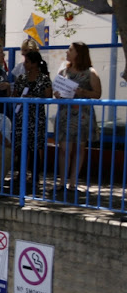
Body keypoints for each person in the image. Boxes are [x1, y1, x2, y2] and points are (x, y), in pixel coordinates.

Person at [53, 42, 102, 193]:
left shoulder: (90, 72)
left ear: (79, 53)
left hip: (82, 116)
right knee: (63, 148)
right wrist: (57, 94)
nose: (67, 52)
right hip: (65, 114)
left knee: (79, 147)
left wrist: (82, 92)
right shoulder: (64, 71)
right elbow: (57, 88)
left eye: (70, 50)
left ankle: (73, 182)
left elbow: (97, 94)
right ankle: (62, 182)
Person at [12, 51, 52, 186]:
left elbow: (48, 97)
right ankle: (20, 173)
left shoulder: (44, 78)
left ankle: (35, 176)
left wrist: (35, 99)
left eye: (28, 61)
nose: (25, 63)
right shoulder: (22, 78)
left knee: (35, 147)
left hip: (36, 118)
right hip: (21, 117)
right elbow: (14, 95)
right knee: (21, 146)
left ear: (35, 63)